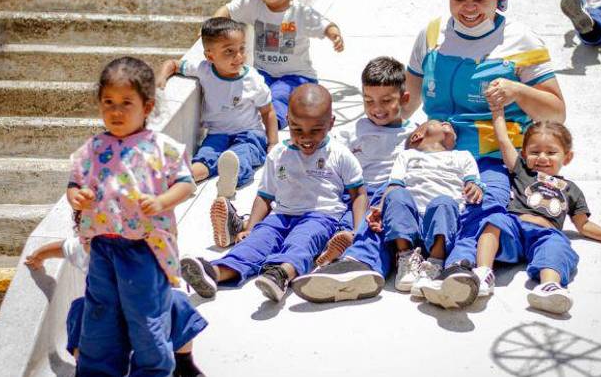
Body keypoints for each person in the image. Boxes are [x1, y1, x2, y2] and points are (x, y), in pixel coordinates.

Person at [404, 0, 567, 281]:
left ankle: (461, 269)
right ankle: (360, 261)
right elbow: (408, 102)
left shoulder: (521, 40)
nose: (469, 7)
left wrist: (517, 91)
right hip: (435, 154)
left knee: (483, 209)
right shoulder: (432, 35)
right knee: (393, 200)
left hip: (489, 158)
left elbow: (557, 112)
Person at [418, 104, 601, 313]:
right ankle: (483, 272)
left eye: (551, 153)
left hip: (544, 233)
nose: (542, 157)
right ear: (524, 155)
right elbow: (503, 140)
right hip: (513, 228)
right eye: (535, 152)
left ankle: (549, 287)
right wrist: (498, 113)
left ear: (567, 157)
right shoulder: (522, 171)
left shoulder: (571, 189)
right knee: (494, 219)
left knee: (558, 244)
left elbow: (583, 224)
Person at [67, 57, 197, 376]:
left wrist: (161, 200)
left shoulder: (161, 147)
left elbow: (186, 184)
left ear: (147, 106)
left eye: (127, 102)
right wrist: (77, 197)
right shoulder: (92, 148)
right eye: (108, 102)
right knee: (100, 317)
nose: (116, 111)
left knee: (146, 319)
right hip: (101, 248)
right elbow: (74, 184)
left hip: (143, 250)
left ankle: (152, 372)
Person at [179, 84, 367, 303]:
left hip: (321, 217)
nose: (306, 137)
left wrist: (357, 229)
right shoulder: (278, 154)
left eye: (315, 130)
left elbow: (358, 194)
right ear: (287, 120)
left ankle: (281, 275)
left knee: (301, 243)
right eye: (297, 129)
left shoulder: (340, 154)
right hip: (280, 216)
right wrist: (250, 227)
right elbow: (265, 196)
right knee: (256, 242)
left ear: (331, 123)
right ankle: (215, 273)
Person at [292, 120, 484, 303]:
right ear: (417, 136)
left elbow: (473, 180)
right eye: (439, 122)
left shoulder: (463, 156)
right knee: (397, 195)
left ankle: (435, 266)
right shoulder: (407, 156)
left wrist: (474, 187)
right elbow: (394, 185)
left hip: (443, 222)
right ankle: (404, 259)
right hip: (409, 221)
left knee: (444, 202)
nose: (447, 124)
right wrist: (381, 208)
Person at [157, 17, 277, 249]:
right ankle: (184, 178)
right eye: (229, 52)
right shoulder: (204, 70)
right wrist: (162, 79)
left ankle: (228, 181)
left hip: (249, 133)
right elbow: (172, 64)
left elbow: (268, 112)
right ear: (210, 55)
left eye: (241, 50)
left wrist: (272, 143)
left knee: (242, 155)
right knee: (206, 157)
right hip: (217, 134)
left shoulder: (252, 79)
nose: (238, 57)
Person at [24, 238, 206, 377]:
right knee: (80, 307)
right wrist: (38, 255)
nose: (88, 241)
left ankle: (184, 363)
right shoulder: (83, 248)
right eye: (85, 235)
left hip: (146, 315)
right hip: (106, 322)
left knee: (177, 300)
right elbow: (61, 248)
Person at [214, 0, 345, 129]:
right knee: (248, 88)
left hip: (296, 77)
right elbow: (228, 9)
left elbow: (325, 25)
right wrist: (213, 26)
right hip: (264, 73)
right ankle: (239, 121)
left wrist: (334, 35)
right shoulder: (254, 4)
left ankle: (272, 125)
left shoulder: (299, 12)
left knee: (279, 94)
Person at [311, 57, 416, 267]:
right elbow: (329, 151)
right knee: (344, 219)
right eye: (369, 101)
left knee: (376, 228)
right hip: (356, 190)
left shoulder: (413, 133)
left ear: (404, 98)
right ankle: (338, 249)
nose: (377, 108)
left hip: (386, 193)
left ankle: (362, 262)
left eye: (386, 101)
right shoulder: (355, 130)